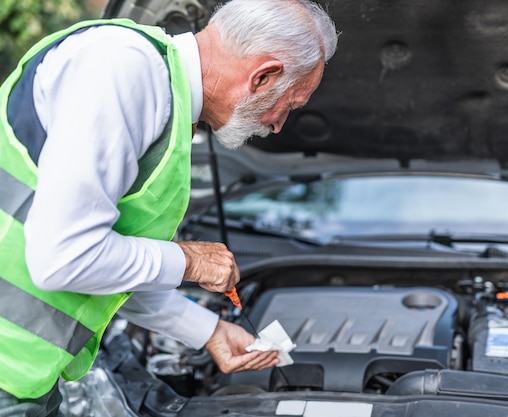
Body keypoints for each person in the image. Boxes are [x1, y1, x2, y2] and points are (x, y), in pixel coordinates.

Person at [0, 0, 338, 414]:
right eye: (289, 105)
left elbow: (113, 264)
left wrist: (208, 330)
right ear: (263, 76)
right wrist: (188, 262)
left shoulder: (163, 95)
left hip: (24, 375)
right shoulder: (124, 71)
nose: (278, 125)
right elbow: (64, 257)